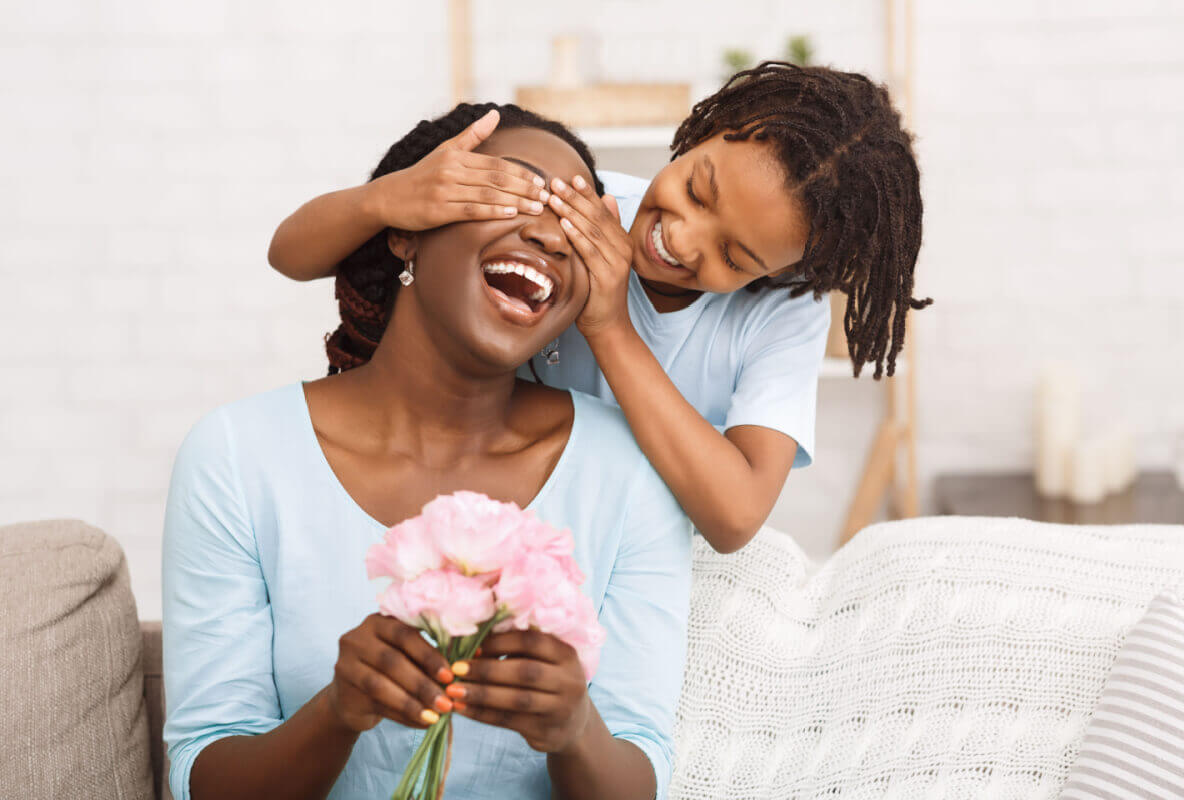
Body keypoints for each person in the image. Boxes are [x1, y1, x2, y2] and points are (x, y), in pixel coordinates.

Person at [162, 104, 693, 800]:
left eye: (578, 225)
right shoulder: (236, 456)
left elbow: (640, 774)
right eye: (519, 192)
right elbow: (203, 776)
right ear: (407, 230)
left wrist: (575, 731)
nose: (549, 234)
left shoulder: (627, 472)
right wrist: (337, 712)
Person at [267, 62, 932, 553]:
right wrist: (388, 198)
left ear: (787, 271)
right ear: (703, 130)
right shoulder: (579, 196)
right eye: (698, 190)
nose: (683, 240)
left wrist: (610, 325)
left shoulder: (785, 313)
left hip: (627, 552)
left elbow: (733, 518)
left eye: (737, 258)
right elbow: (291, 256)